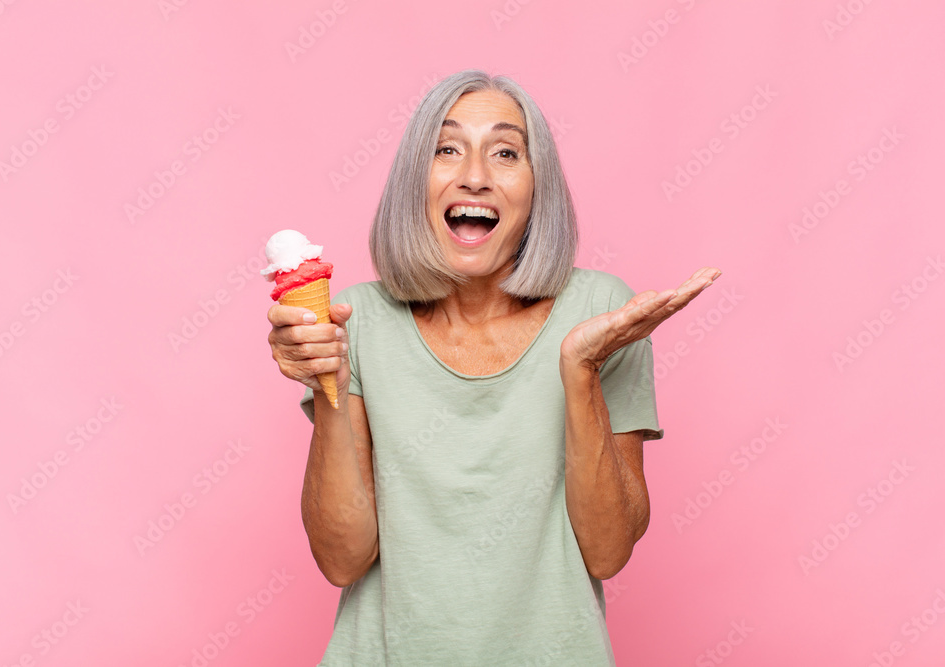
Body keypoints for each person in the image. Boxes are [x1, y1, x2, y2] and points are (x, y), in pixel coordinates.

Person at [267, 69, 721, 666]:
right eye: (447, 149)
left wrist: (580, 369)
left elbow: (607, 552)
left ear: (538, 190)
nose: (475, 176)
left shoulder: (601, 312)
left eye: (505, 152)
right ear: (414, 182)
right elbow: (341, 559)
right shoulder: (360, 321)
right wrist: (330, 380)